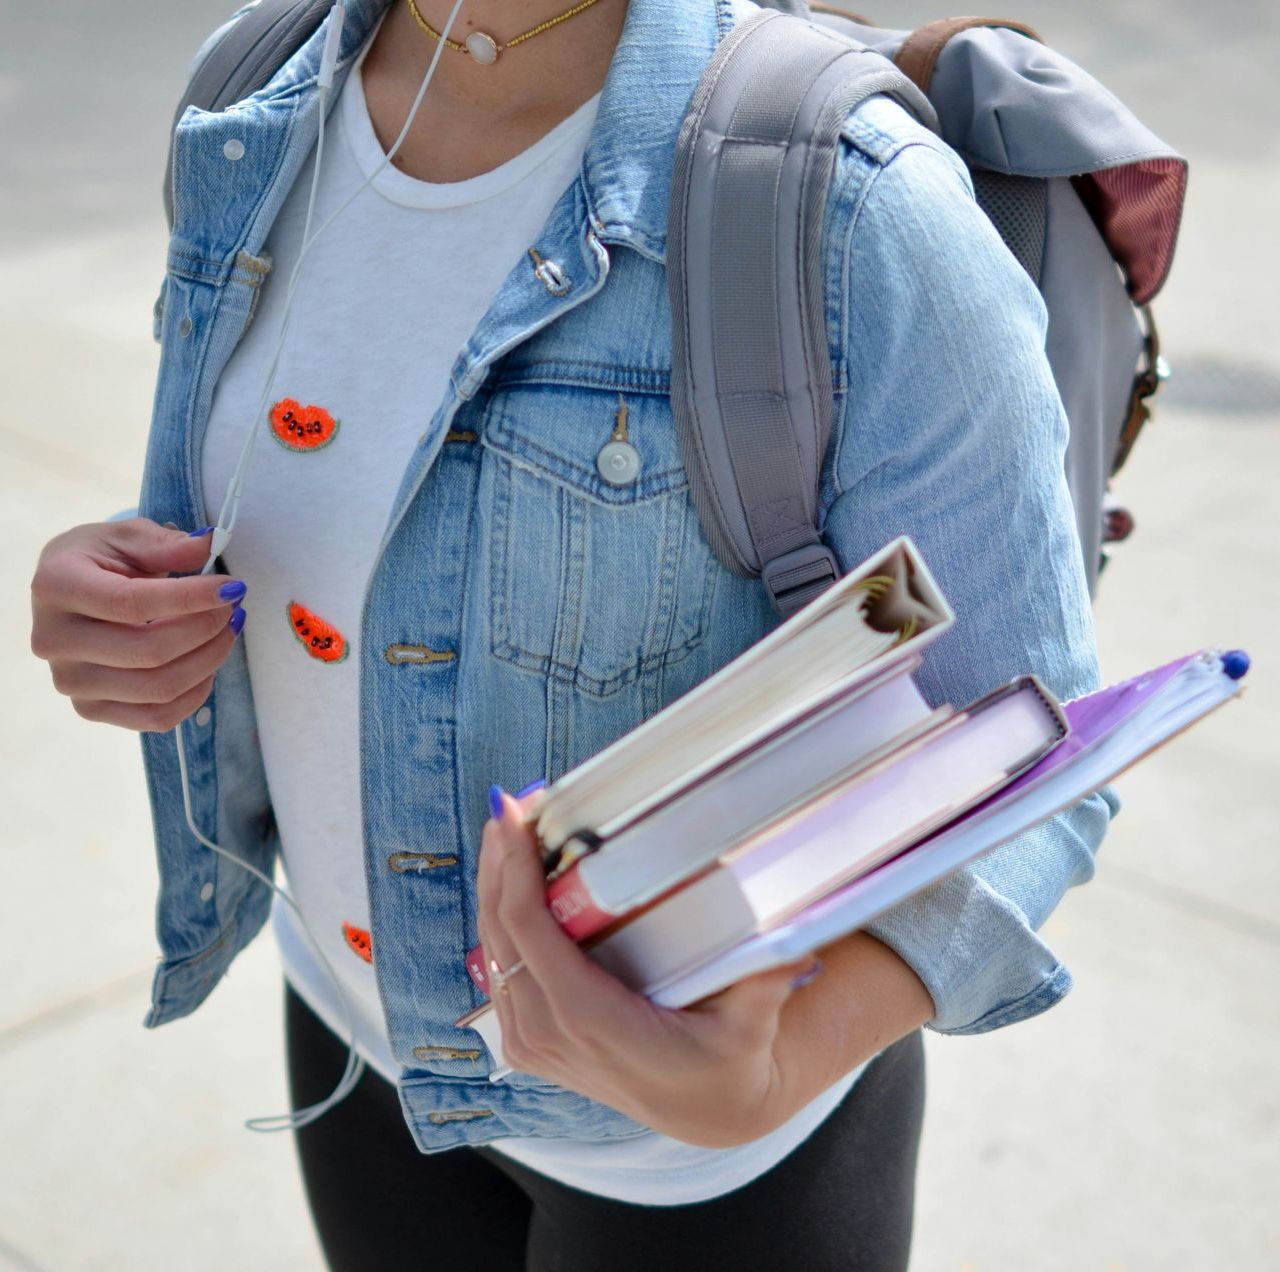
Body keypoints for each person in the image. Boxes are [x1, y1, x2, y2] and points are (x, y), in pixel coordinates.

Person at [29, 0, 1114, 1266]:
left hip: (701, 1164)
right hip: (355, 1032)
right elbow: (325, 486)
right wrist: (121, 587)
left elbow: (1027, 748)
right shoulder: (252, 94)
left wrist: (771, 1072)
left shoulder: (850, 205)